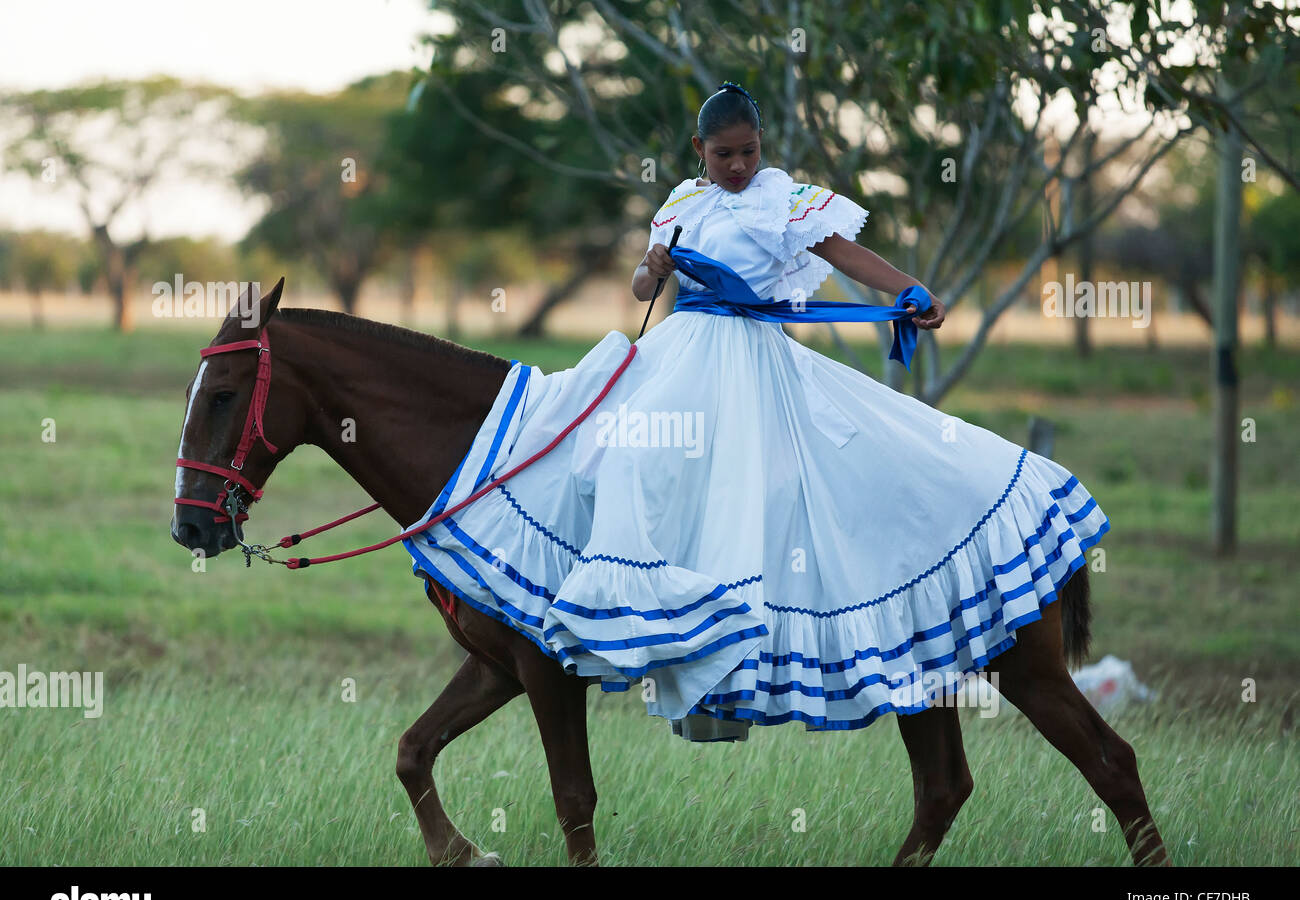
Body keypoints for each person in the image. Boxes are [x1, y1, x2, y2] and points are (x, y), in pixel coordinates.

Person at [403, 82, 1109, 743]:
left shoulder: (783, 199)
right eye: (724, 154)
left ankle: (719, 629)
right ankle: (630, 607)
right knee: (612, 454)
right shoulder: (683, 204)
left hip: (749, 363)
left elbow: (843, 251)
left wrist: (910, 288)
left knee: (747, 487)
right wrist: (652, 266)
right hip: (682, 354)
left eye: (748, 151)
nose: (738, 165)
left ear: (761, 145)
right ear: (698, 152)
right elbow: (645, 281)